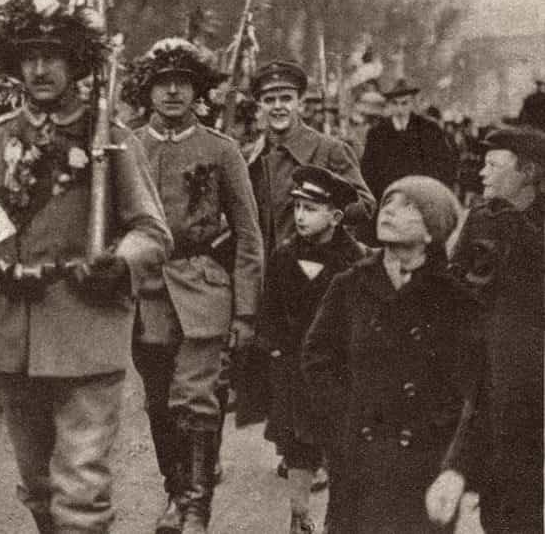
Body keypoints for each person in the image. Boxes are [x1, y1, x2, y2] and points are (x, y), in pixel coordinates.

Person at [0, 0, 171, 533]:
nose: (39, 69)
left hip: (88, 329)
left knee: (81, 488)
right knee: (38, 485)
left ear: (76, 64)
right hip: (13, 336)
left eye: (53, 57)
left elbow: (152, 231)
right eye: (29, 58)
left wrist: (121, 262)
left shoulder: (110, 140)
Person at [122, 39, 263, 534]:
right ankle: (173, 492)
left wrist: (246, 312)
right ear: (148, 91)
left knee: (197, 396)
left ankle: (196, 507)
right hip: (145, 293)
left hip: (203, 287)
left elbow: (248, 234)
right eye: (163, 83)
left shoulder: (221, 151)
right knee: (159, 401)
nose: (174, 92)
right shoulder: (128, 146)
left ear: (199, 89)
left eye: (184, 83)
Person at [301, 176, 476, 534]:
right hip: (357, 456)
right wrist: (342, 419)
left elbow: (469, 386)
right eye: (388, 203)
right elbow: (316, 358)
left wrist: (445, 450)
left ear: (433, 230)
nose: (390, 212)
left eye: (408, 206)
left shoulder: (455, 301)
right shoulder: (350, 285)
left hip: (423, 462)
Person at [428, 125, 545, 534]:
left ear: (527, 172)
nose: (482, 173)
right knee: (499, 486)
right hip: (486, 366)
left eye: (494, 165)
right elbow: (455, 281)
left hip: (532, 373)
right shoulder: (480, 216)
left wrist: (517, 229)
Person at [259, 166, 367, 534]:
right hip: (294, 370)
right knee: (297, 446)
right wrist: (274, 351)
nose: (301, 216)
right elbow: (270, 313)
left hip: (340, 373)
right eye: (298, 208)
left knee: (342, 451)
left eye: (311, 209)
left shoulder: (357, 262)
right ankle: (299, 515)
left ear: (335, 217)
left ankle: (341, 522)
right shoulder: (284, 257)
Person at [246, 60, 375, 249]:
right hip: (267, 269)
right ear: (259, 106)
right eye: (269, 100)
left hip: (319, 264)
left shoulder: (329, 149)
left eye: (286, 98)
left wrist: (325, 210)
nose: (278, 106)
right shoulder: (251, 157)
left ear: (300, 102)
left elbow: (366, 205)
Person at [359, 79, 457, 201]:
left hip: (422, 199)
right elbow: (368, 172)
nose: (400, 110)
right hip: (388, 200)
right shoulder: (377, 133)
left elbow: (444, 165)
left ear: (412, 103)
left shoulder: (429, 129)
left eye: (404, 103)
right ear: (389, 104)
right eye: (395, 103)